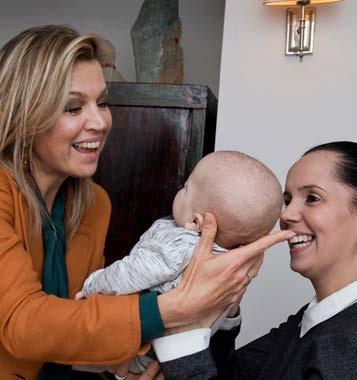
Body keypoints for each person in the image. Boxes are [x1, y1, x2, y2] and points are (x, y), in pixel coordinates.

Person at [0, 25, 293, 380]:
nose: (100, 121)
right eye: (73, 108)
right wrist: (174, 309)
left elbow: (87, 312)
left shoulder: (93, 202)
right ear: (23, 115)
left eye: (103, 102)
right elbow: (21, 324)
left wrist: (116, 365)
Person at [158, 141, 357, 380]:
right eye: (287, 200)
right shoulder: (311, 320)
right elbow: (235, 376)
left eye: (312, 198)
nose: (286, 215)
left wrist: (182, 333)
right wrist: (225, 303)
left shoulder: (346, 345)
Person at [77, 150, 283, 374]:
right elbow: (225, 314)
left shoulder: (178, 247)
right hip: (178, 354)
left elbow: (130, 274)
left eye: (186, 187)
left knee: (82, 354)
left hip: (141, 347)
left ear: (196, 221)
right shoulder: (234, 266)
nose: (180, 190)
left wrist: (92, 284)